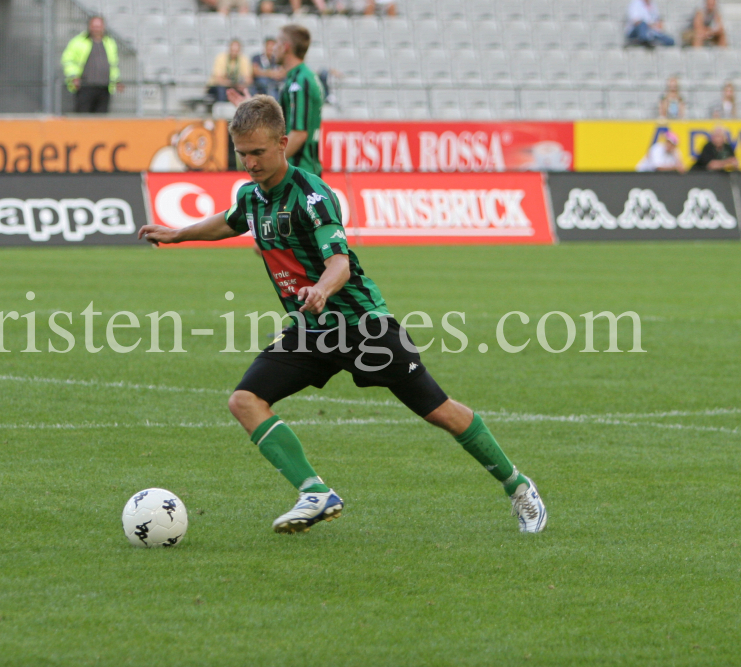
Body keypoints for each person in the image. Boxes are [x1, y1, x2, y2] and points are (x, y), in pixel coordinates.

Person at [136, 96, 547, 535]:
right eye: (242, 153)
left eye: (258, 152)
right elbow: (230, 220)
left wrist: (320, 289)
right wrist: (179, 233)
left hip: (362, 325)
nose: (250, 162)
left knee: (439, 411)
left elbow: (340, 262)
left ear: (283, 143)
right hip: (312, 331)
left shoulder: (313, 196)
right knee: (245, 401)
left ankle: (518, 485)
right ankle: (314, 492)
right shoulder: (252, 196)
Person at [229, 25, 324, 176]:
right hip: (304, 172)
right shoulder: (301, 77)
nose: (274, 49)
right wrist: (252, 109)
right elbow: (283, 123)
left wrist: (272, 165)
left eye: (277, 43)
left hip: (300, 174)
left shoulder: (299, 81)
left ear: (286, 47)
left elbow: (299, 133)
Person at [61, 16, 121, 113]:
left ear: (103, 27)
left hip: (104, 87)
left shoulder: (109, 42)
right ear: (89, 26)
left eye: (99, 26)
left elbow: (113, 64)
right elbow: (67, 60)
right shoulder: (78, 42)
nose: (96, 29)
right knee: (83, 118)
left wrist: (117, 80)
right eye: (94, 26)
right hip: (84, 86)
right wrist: (74, 76)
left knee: (101, 120)